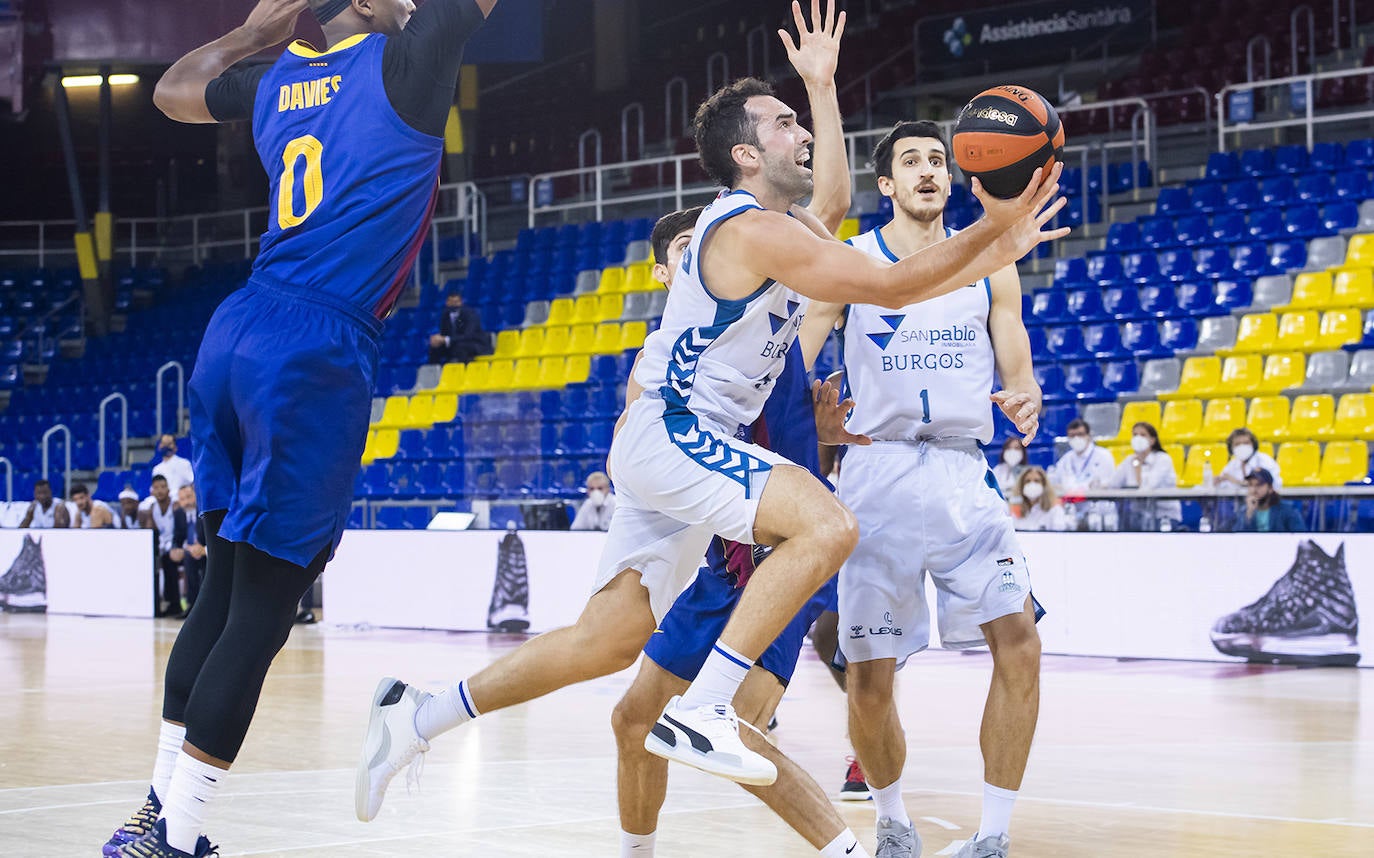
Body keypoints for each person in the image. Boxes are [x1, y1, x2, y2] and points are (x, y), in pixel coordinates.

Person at [356, 66, 1067, 825]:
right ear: (747, 155)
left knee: (607, 640)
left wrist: (824, 90)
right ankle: (709, 706)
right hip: (679, 432)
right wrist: (995, 230)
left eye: (802, 122)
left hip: (681, 444)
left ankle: (419, 715)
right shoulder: (748, 228)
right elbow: (887, 286)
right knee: (827, 524)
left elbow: (835, 209)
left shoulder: (787, 228)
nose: (800, 133)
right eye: (785, 123)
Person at [103, 0, 498, 855]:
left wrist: (253, 30)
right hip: (315, 345)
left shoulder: (282, 77)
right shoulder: (407, 62)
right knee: (263, 611)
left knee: (223, 593)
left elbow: (174, 91)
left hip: (235, 331)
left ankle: (159, 815)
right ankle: (177, 833)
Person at [610, 9, 868, 855]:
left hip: (776, 549)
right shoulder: (735, 286)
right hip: (729, 530)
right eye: (683, 251)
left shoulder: (796, 310)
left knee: (743, 726)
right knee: (635, 715)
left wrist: (822, 93)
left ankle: (852, 845)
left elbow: (830, 206)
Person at [799, 120, 1047, 858]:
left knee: (1022, 643)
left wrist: (1025, 387)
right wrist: (805, 413)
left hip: (964, 473)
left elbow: (1013, 337)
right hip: (878, 476)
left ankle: (993, 837)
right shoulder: (852, 261)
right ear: (887, 184)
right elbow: (804, 345)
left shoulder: (990, 256)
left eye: (938, 160)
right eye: (911, 162)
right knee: (869, 677)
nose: (928, 171)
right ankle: (893, 822)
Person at [1106, 421, 1180, 530]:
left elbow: (1148, 488)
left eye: (1143, 435)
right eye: (1135, 435)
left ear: (1152, 440)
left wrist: (1138, 467)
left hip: (1163, 516)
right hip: (1136, 516)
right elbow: (1112, 484)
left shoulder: (1163, 459)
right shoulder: (1129, 460)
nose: (1138, 438)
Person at [139, 475, 182, 618]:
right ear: (152, 491)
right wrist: (149, 516)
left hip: (176, 544)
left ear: (169, 489)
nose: (160, 491)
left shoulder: (176, 506)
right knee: (153, 561)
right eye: (156, 488)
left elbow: (180, 531)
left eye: (163, 487)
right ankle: (154, 604)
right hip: (160, 547)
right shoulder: (150, 507)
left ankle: (175, 604)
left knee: (168, 560)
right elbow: (150, 531)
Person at [169, 485, 207, 620]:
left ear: (196, 496)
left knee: (191, 558)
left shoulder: (204, 512)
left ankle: (200, 607)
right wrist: (174, 549)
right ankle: (176, 605)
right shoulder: (178, 514)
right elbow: (177, 537)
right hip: (189, 551)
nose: (187, 501)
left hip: (207, 551)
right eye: (182, 499)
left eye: (189, 497)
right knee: (171, 559)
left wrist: (203, 550)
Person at [427, 285, 491, 364]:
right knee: (434, 347)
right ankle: (435, 373)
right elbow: (444, 334)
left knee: (461, 347)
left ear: (461, 302)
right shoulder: (445, 315)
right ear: (447, 303)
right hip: (455, 343)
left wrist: (446, 339)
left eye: (456, 302)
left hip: (475, 344)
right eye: (451, 302)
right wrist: (438, 339)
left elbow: (468, 336)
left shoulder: (470, 314)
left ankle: (462, 373)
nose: (453, 305)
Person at [1050, 418, 1114, 494]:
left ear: (1089, 436)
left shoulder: (1103, 455)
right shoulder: (1066, 459)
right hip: (1071, 503)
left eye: (1080, 434)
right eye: (1072, 435)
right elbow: (1054, 481)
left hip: (1096, 502)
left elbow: (1107, 484)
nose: (1076, 438)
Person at [1231, 468, 1305, 532]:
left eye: (1259, 484)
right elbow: (1236, 539)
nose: (1253, 489)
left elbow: (1300, 536)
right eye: (1250, 485)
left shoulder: (1288, 510)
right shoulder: (1244, 511)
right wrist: (1248, 515)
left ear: (1270, 488)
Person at [1217, 427, 1283, 489]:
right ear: (1231, 448)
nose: (1242, 447)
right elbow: (1223, 483)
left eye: (1246, 443)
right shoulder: (1232, 464)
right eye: (1237, 444)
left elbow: (1274, 485)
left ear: (1253, 444)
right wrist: (1217, 482)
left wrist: (1236, 481)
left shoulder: (1265, 461)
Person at [1013, 467, 1067, 532]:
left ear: (1044, 485)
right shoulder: (1015, 511)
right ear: (1022, 486)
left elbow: (1060, 536)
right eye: (1027, 481)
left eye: (1037, 481)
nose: (1032, 484)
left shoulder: (1055, 510)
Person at [991, 437, 1028, 505]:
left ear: (1023, 452)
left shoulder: (1028, 473)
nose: (1012, 451)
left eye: (1016, 448)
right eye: (1009, 448)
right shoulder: (997, 470)